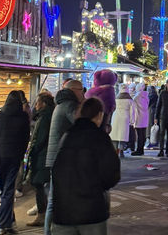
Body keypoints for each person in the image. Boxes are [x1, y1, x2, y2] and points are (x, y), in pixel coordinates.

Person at [51, 97, 121, 235]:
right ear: (99, 115)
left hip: (63, 211)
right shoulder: (100, 137)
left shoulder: (67, 136)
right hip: (91, 210)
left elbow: (56, 169)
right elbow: (111, 174)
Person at [45, 79, 85, 235]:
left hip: (57, 158)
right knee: (55, 201)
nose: (83, 93)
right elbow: (81, 124)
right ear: (74, 90)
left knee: (55, 200)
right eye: (82, 90)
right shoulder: (69, 105)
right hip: (62, 159)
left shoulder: (61, 104)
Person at [0, 90, 31, 234]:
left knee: (4, 190)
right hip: (15, 157)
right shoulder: (23, 118)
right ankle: (7, 223)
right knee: (7, 190)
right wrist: (21, 154)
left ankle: (3, 224)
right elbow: (26, 138)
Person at [26, 92, 55, 227]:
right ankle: (44, 215)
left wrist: (32, 151)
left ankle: (42, 216)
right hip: (45, 155)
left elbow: (40, 139)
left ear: (43, 103)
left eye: (37, 102)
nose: (35, 105)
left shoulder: (44, 118)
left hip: (42, 156)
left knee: (38, 184)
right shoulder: (49, 115)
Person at [110, 84, 135, 157]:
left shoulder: (116, 98)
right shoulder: (130, 100)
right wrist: (132, 121)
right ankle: (121, 151)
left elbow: (112, 108)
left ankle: (115, 151)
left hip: (116, 117)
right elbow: (132, 111)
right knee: (122, 136)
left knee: (115, 135)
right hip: (125, 117)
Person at [130, 83, 149, 156]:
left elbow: (132, 105)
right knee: (143, 134)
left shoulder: (137, 96)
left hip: (138, 117)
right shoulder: (146, 95)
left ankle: (139, 150)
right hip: (145, 117)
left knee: (139, 135)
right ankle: (141, 150)